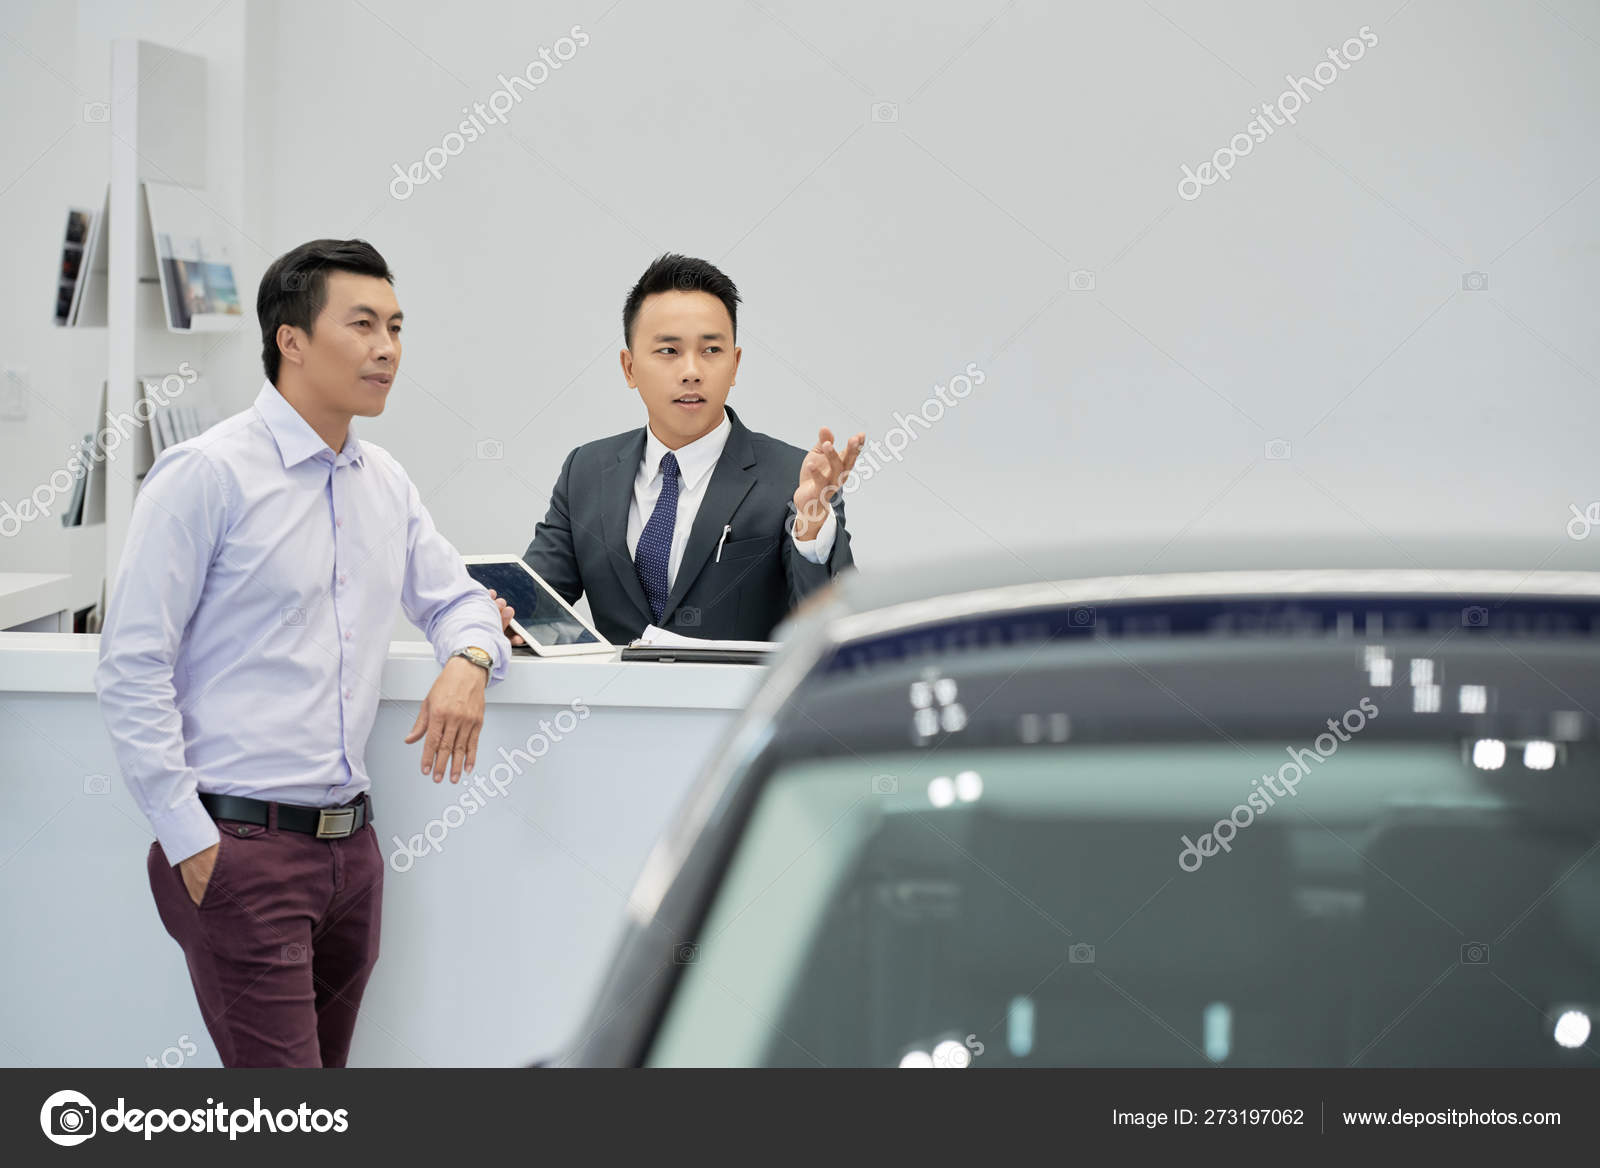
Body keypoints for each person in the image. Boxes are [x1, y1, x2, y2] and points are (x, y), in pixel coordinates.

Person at [94, 238, 509, 1068]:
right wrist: (189, 839)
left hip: (352, 856)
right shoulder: (205, 475)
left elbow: (461, 598)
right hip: (240, 850)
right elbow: (130, 665)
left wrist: (468, 660)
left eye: (395, 326)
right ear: (291, 339)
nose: (387, 348)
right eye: (362, 325)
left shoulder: (383, 480)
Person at [506, 254, 864, 646]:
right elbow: (535, 604)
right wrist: (505, 617)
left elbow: (830, 624)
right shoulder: (586, 471)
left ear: (735, 365)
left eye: (711, 350)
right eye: (669, 351)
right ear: (629, 368)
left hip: (732, 706)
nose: (692, 371)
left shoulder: (793, 478)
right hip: (612, 705)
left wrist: (811, 526)